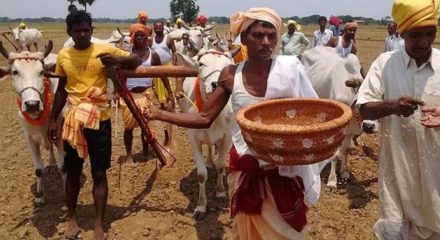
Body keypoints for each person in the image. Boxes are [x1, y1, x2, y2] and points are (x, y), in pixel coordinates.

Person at [143, 7, 322, 240]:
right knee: (248, 232)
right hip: (246, 169)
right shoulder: (230, 75)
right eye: (258, 35)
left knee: (289, 234)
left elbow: (311, 113)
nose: (266, 42)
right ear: (244, 38)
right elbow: (204, 117)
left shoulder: (290, 69)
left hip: (283, 170)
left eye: (271, 35)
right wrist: (158, 114)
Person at [48, 10, 141, 240]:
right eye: (77, 31)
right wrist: (52, 120)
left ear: (92, 31)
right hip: (73, 122)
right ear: (69, 32)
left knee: (99, 173)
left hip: (100, 120)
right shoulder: (63, 56)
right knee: (73, 172)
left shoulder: (103, 50)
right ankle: (72, 218)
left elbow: (136, 59)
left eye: (86, 30)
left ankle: (99, 224)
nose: (82, 34)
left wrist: (118, 60)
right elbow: (60, 91)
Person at [357, 0, 440, 239]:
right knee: (395, 230)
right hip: (398, 172)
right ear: (400, 32)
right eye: (415, 35)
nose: (424, 42)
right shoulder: (385, 65)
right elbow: (363, 109)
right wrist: (391, 106)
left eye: (430, 33)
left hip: (435, 174)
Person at [121, 23, 174, 163]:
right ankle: (129, 155)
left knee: (146, 126)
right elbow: (119, 74)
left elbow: (162, 74)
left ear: (146, 38)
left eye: (142, 35)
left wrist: (170, 92)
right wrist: (116, 91)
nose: (139, 38)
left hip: (146, 94)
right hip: (128, 95)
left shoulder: (153, 55)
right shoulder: (126, 54)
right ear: (132, 38)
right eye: (136, 35)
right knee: (128, 128)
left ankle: (145, 153)